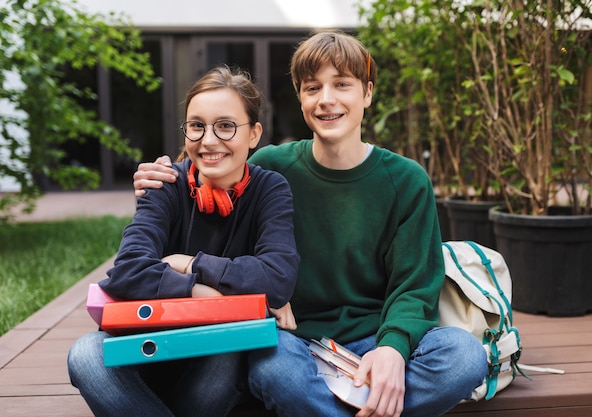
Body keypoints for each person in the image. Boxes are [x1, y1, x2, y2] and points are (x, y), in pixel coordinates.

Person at [133, 31, 488, 417]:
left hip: (376, 334)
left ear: (367, 93)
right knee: (274, 372)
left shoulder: (406, 180)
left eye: (342, 85)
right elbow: (210, 172)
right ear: (300, 98)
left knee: (464, 357)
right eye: (312, 87)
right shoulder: (270, 167)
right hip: (294, 338)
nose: (326, 100)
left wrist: (392, 348)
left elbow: (415, 285)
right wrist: (159, 178)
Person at [67, 66, 300, 417]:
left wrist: (186, 262)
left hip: (216, 364)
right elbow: (127, 271)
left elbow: (277, 279)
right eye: (197, 126)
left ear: (254, 134)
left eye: (225, 126)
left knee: (227, 342)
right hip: (151, 351)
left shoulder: (270, 189)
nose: (208, 141)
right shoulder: (163, 184)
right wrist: (209, 296)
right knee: (85, 355)